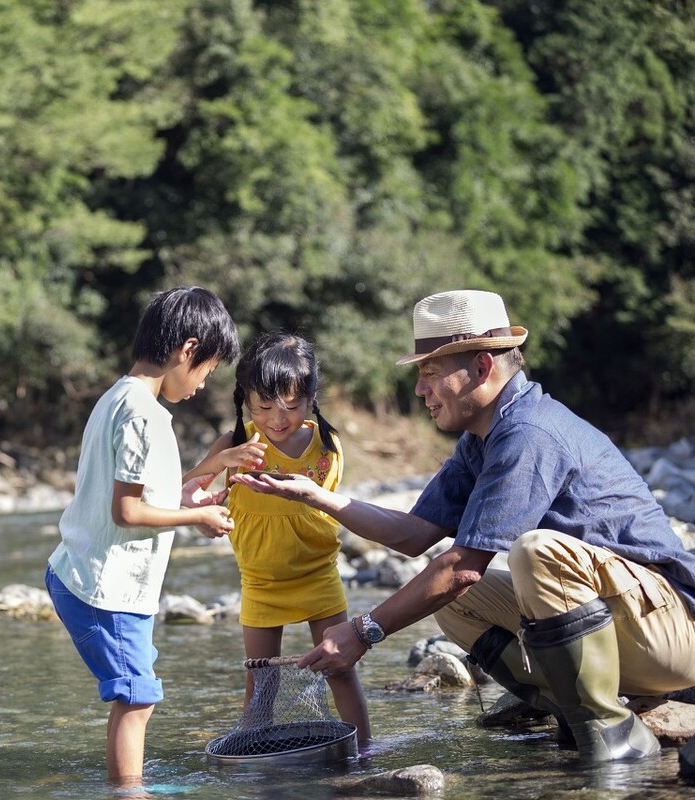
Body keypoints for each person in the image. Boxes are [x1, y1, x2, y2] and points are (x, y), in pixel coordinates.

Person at [233, 289, 695, 762]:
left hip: (671, 634)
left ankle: (610, 732)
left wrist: (364, 630)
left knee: (534, 554)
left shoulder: (529, 433)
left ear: (481, 367)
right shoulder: (482, 438)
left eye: (430, 373)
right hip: (627, 630)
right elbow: (414, 535)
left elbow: (464, 565)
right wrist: (316, 496)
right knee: (454, 602)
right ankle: (569, 708)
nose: (419, 390)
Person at [45, 285, 241, 787]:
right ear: (187, 350)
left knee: (137, 690)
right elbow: (128, 510)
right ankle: (128, 794)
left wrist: (201, 481)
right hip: (105, 588)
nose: (202, 385)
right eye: (207, 371)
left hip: (90, 572)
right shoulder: (143, 415)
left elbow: (144, 494)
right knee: (137, 696)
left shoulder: (119, 397)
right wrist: (195, 520)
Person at [184, 330, 371, 745]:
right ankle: (256, 756)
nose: (277, 419)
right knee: (260, 681)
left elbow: (318, 510)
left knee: (339, 669)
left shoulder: (326, 446)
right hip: (260, 581)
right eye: (264, 406)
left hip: (318, 575)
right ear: (245, 401)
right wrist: (215, 478)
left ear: (311, 398)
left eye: (291, 406)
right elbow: (184, 494)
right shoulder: (236, 442)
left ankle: (363, 750)